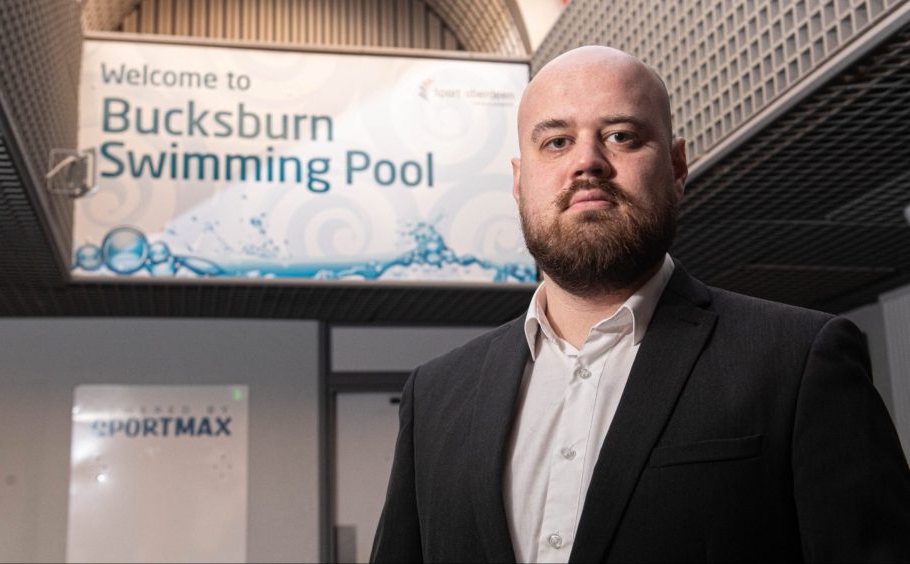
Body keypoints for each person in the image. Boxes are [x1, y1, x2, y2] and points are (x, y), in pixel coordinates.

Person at [370, 45, 910, 563]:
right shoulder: (436, 396)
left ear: (677, 168)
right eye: (556, 142)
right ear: (518, 182)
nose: (587, 162)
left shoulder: (799, 360)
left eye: (621, 135)